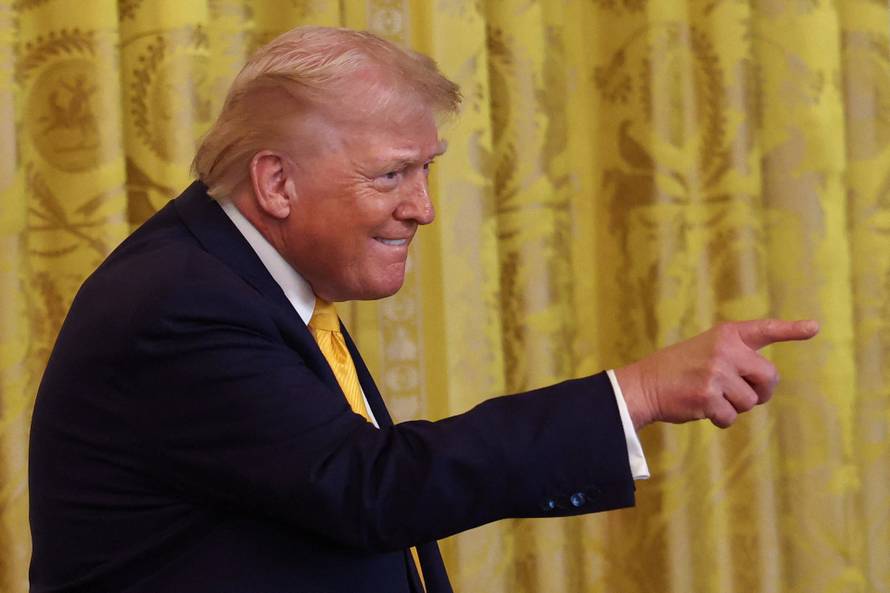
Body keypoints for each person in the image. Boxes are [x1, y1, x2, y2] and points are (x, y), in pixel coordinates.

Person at [28, 26, 818, 593]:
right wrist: (635, 393)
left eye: (426, 170)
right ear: (276, 183)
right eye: (391, 174)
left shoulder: (242, 272)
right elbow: (369, 489)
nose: (423, 208)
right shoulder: (179, 303)